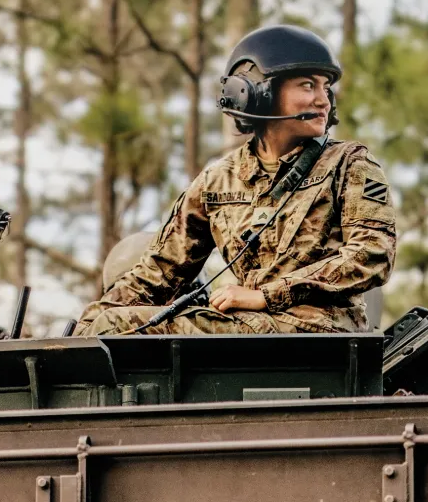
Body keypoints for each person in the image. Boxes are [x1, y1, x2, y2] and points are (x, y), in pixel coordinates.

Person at [73, 24, 396, 336]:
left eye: (326, 87)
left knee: (116, 327)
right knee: (109, 323)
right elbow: (159, 271)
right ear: (259, 93)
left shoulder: (349, 164)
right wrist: (84, 328)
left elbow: (372, 254)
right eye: (307, 85)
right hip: (249, 330)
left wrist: (268, 296)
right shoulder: (218, 180)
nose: (323, 100)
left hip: (319, 331)